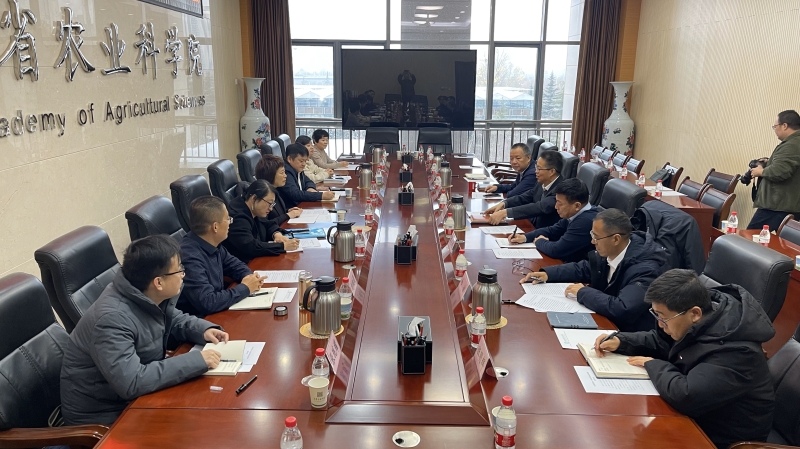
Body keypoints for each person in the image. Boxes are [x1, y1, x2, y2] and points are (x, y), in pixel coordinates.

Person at [593, 269, 775, 449]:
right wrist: (622, 341)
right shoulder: (700, 319)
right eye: (656, 315)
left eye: (663, 318)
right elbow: (662, 342)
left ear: (695, 314)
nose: (660, 324)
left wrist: (653, 364)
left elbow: (686, 395)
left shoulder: (736, 351)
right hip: (696, 419)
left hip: (718, 438)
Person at [60, 234, 229, 425]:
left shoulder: (142, 292)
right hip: (105, 416)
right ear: (158, 282)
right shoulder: (111, 319)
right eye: (179, 269)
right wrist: (196, 361)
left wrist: (203, 329)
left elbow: (170, 317)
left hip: (134, 399)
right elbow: (132, 382)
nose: (183, 274)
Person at [521, 208, 668, 331]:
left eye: (596, 237)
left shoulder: (645, 269)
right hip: (605, 320)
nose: (592, 242)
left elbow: (623, 308)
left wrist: (583, 292)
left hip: (628, 333)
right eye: (592, 235)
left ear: (616, 239)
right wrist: (547, 274)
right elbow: (584, 268)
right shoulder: (613, 250)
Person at [178, 196, 266, 316]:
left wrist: (248, 276)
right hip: (202, 320)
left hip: (219, 310)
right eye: (228, 219)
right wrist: (245, 288)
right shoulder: (189, 257)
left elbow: (234, 264)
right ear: (215, 227)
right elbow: (208, 302)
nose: (230, 223)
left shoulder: (211, 242)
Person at [509, 178, 597, 263]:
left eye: (560, 203)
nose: (556, 207)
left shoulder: (585, 221)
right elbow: (552, 230)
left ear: (577, 205)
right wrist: (525, 237)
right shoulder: (577, 213)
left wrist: (539, 241)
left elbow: (557, 250)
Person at [223, 180, 300, 263]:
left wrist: (277, 234)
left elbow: (267, 224)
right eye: (269, 203)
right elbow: (251, 246)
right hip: (244, 264)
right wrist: (282, 246)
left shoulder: (254, 209)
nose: (271, 208)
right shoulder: (237, 218)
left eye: (272, 204)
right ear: (254, 198)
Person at [747, 109, 800, 230]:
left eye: (775, 126)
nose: (775, 130)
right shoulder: (794, 142)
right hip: (786, 204)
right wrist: (770, 161)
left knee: (751, 237)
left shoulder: (791, 145)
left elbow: (781, 171)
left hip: (778, 206)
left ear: (785, 126)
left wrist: (760, 172)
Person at [483, 150, 563, 227]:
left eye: (539, 168)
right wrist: (505, 203)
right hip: (531, 225)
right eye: (536, 167)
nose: (536, 171)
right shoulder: (542, 182)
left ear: (552, 172)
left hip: (545, 232)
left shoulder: (561, 189)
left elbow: (540, 207)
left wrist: (506, 212)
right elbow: (526, 196)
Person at [278, 143, 336, 209]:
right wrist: (321, 196)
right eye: (301, 161)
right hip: (291, 209)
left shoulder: (296, 168)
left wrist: (310, 188)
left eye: (305, 161)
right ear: (290, 159)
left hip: (300, 206)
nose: (304, 164)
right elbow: (295, 194)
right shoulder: (286, 172)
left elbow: (308, 181)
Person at [255, 154, 302, 225]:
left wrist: (287, 211)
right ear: (271, 175)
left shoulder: (275, 190)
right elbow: (265, 224)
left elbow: (276, 214)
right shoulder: (262, 197)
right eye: (282, 173)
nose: (285, 176)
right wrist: (287, 215)